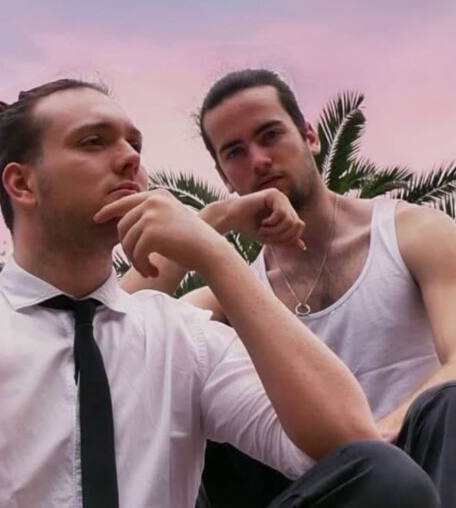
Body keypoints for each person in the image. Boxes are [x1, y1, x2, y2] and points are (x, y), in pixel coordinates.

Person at [0, 78, 439, 507]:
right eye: (94, 142)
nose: (130, 157)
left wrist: (216, 256)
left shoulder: (183, 337)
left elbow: (349, 441)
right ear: (22, 183)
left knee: (385, 479)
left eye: (135, 143)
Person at [121, 68, 456, 506]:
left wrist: (387, 428)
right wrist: (213, 221)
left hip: (425, 466)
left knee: (450, 402)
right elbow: (113, 327)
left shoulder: (413, 234)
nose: (259, 160)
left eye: (271, 135)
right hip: (316, 490)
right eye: (235, 152)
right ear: (224, 176)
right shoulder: (229, 295)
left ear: (310, 137)